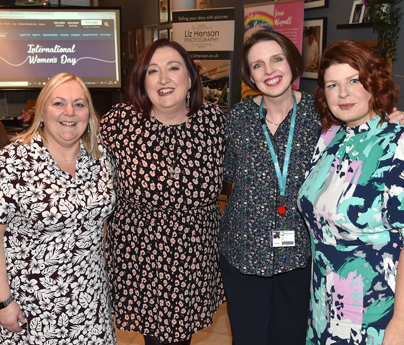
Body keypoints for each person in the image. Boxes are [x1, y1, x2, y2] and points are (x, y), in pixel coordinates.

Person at [219, 29, 404, 345]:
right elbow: (226, 175)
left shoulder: (322, 116)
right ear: (248, 75)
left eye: (277, 59)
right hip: (245, 256)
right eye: (258, 65)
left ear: (292, 61)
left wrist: (389, 119)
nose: (270, 70)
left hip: (302, 262)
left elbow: (368, 128)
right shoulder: (238, 117)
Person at [100, 38, 226, 345]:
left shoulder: (215, 122)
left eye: (173, 68)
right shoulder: (120, 122)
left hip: (195, 255)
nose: (164, 78)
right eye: (153, 71)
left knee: (183, 338)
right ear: (142, 81)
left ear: (191, 77)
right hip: (141, 255)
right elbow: (74, 151)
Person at [298, 40, 404, 344]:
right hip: (323, 306)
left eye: (354, 80)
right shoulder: (329, 138)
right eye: (333, 84)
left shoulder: (397, 144)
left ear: (374, 83)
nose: (343, 93)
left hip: (375, 314)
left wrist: (400, 324)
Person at [0, 72, 118, 344]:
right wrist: (3, 302)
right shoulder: (13, 161)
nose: (70, 112)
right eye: (58, 103)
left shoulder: (100, 157)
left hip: (91, 304)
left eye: (79, 104)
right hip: (32, 308)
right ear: (41, 112)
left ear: (89, 114)